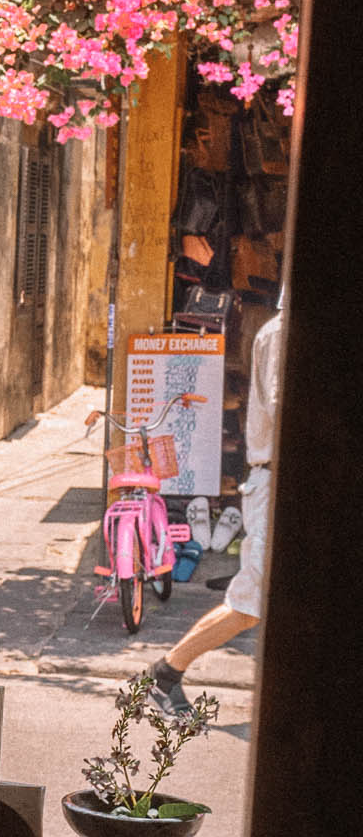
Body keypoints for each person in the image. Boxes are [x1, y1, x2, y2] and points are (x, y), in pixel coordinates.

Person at [150, 298, 285, 717]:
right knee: (250, 602)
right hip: (273, 480)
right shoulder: (283, 334)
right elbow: (285, 411)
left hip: (275, 480)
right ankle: (165, 673)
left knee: (258, 601)